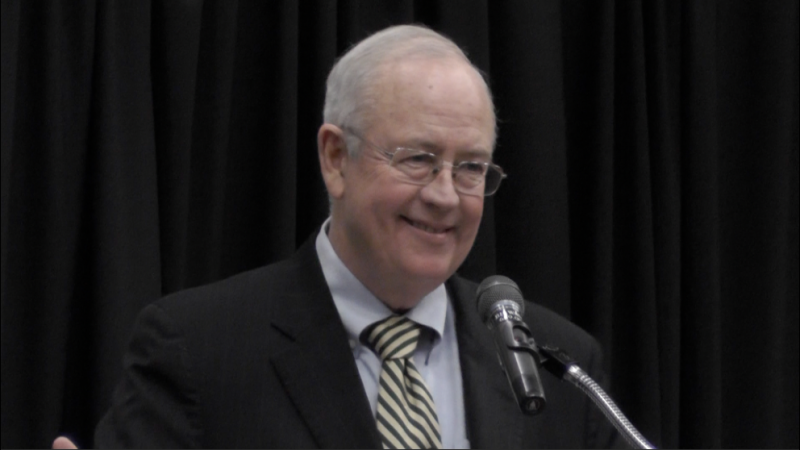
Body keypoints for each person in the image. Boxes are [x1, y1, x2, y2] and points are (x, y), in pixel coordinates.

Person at [55, 24, 617, 448]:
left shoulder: (559, 366)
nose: (446, 195)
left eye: (470, 167)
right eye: (418, 159)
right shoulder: (198, 350)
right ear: (335, 158)